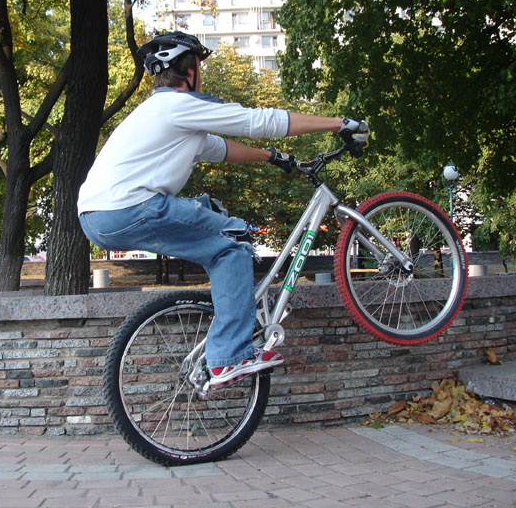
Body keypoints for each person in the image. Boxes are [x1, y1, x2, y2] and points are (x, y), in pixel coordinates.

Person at [77, 31, 369, 389]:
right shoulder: (179, 105)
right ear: (189, 71)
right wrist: (338, 123)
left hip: (98, 216)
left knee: (212, 213)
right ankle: (229, 356)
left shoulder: (161, 114)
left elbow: (219, 149)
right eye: (199, 67)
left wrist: (272, 157)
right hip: (130, 207)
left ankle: (237, 314)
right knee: (231, 245)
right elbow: (259, 122)